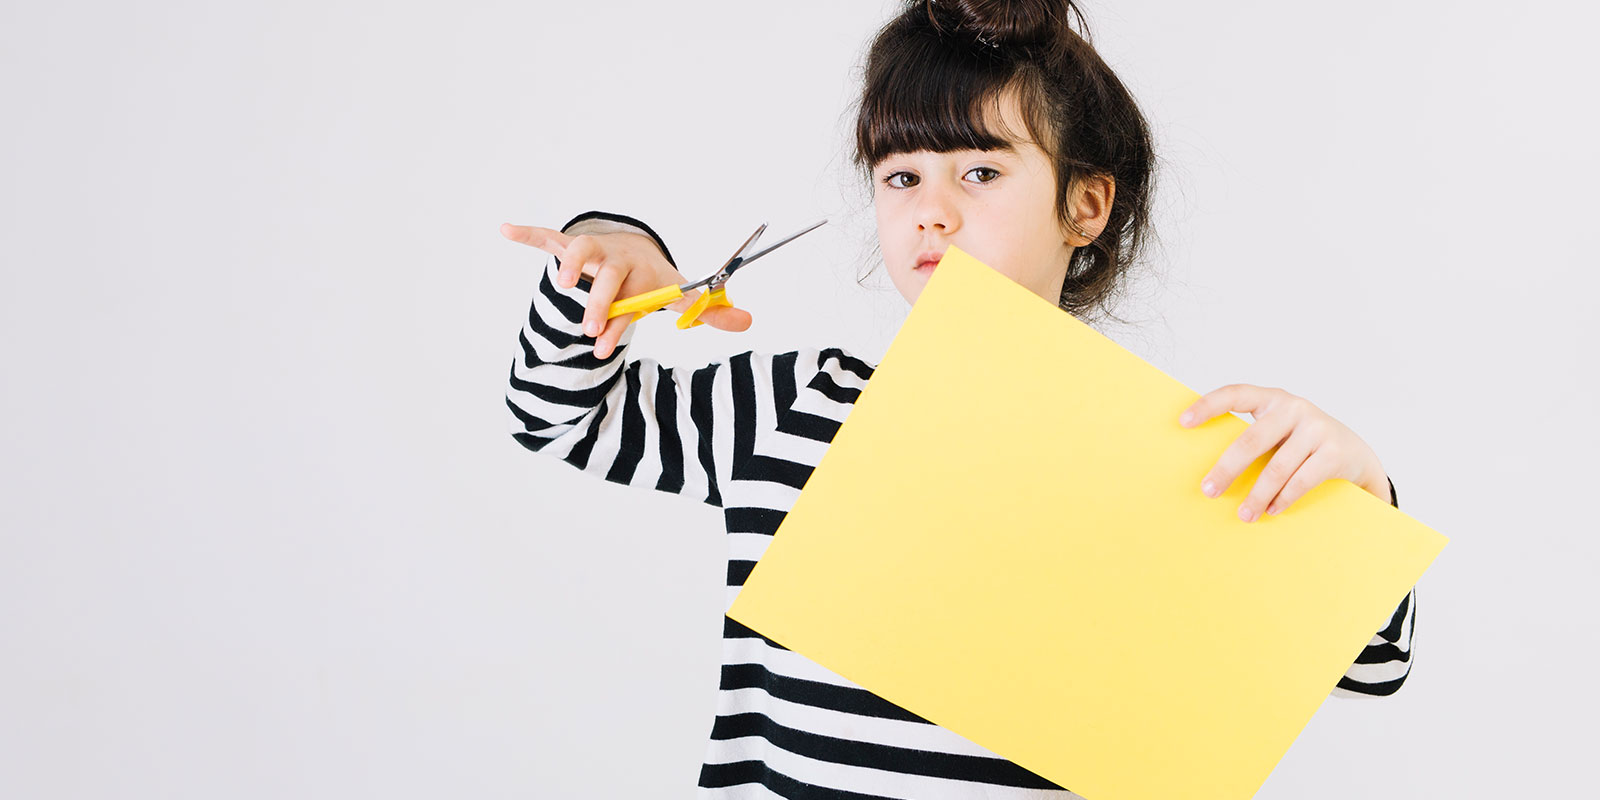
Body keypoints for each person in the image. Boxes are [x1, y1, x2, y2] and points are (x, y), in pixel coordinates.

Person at [501, 1, 1417, 796]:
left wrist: (1359, 485)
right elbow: (556, 416)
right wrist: (604, 258)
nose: (930, 209)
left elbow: (1374, 665)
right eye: (901, 176)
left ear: (1085, 206)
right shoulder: (795, 405)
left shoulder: (1171, 457)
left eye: (979, 171)